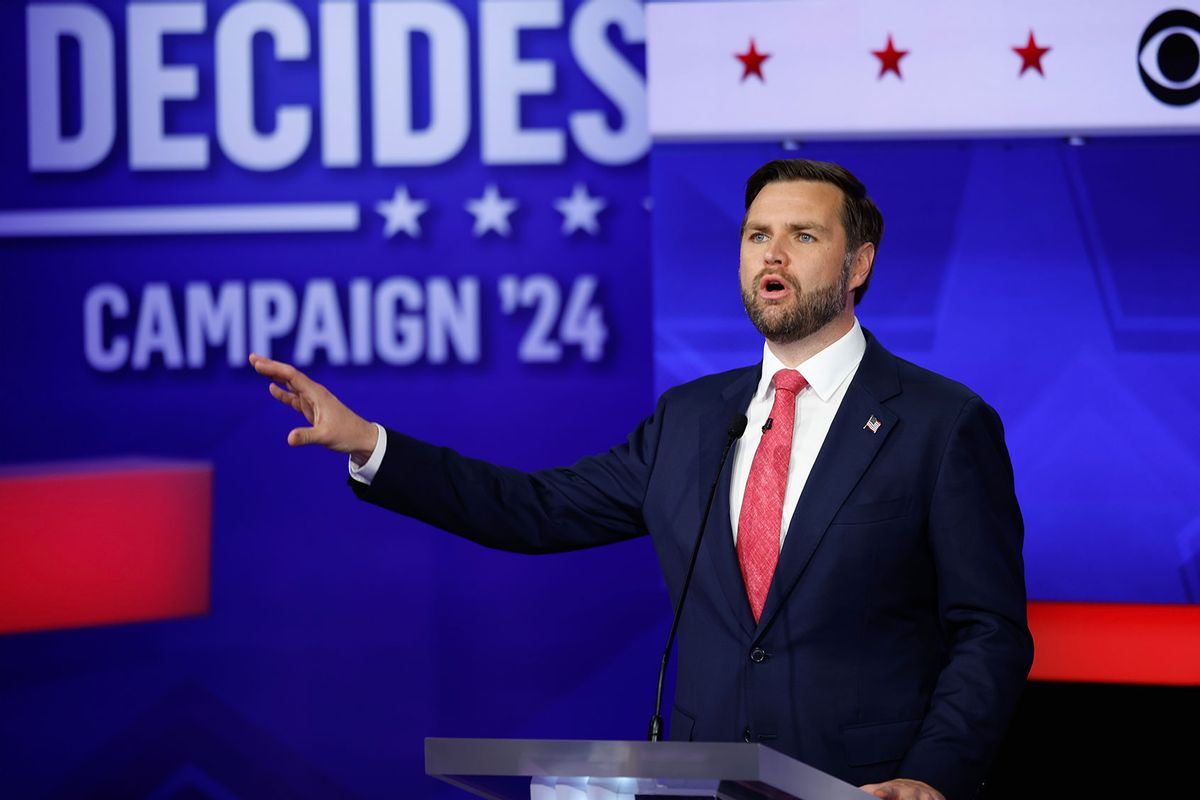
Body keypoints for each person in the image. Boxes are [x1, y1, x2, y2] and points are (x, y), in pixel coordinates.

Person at [251, 159, 1033, 800]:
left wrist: (932, 776)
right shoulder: (693, 418)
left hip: (865, 788)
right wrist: (370, 444)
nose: (772, 254)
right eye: (757, 234)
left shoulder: (940, 423)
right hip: (706, 783)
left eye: (802, 235)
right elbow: (534, 510)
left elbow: (989, 630)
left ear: (858, 263)